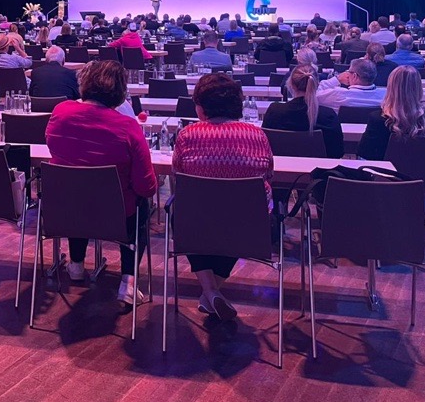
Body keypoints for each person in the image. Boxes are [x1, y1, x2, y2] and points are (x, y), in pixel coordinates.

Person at [45, 60, 157, 304]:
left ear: (85, 84)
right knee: (140, 206)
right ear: (120, 92)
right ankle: (128, 281)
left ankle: (75, 265)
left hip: (66, 210)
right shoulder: (128, 127)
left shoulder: (60, 113)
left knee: (79, 188)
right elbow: (146, 187)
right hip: (115, 215)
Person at [172, 73, 273, 320]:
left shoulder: (188, 135)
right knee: (231, 216)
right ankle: (211, 293)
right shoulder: (256, 135)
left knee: (190, 210)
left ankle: (210, 291)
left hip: (195, 223)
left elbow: (177, 175)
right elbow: (268, 174)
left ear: (201, 105)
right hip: (247, 225)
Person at [358, 66, 425, 161]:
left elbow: (364, 153)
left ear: (390, 87)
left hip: (388, 174)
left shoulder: (377, 119)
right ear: (418, 87)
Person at [262, 64, 343, 159]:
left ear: (291, 85)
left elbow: (265, 145)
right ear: (316, 85)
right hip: (320, 171)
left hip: (280, 169)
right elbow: (338, 152)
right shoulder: (328, 115)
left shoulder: (274, 111)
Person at [317, 57, 386, 111]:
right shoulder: (386, 95)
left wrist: (337, 79)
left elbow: (313, 96)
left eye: (348, 72)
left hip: (341, 129)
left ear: (354, 76)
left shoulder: (337, 94)